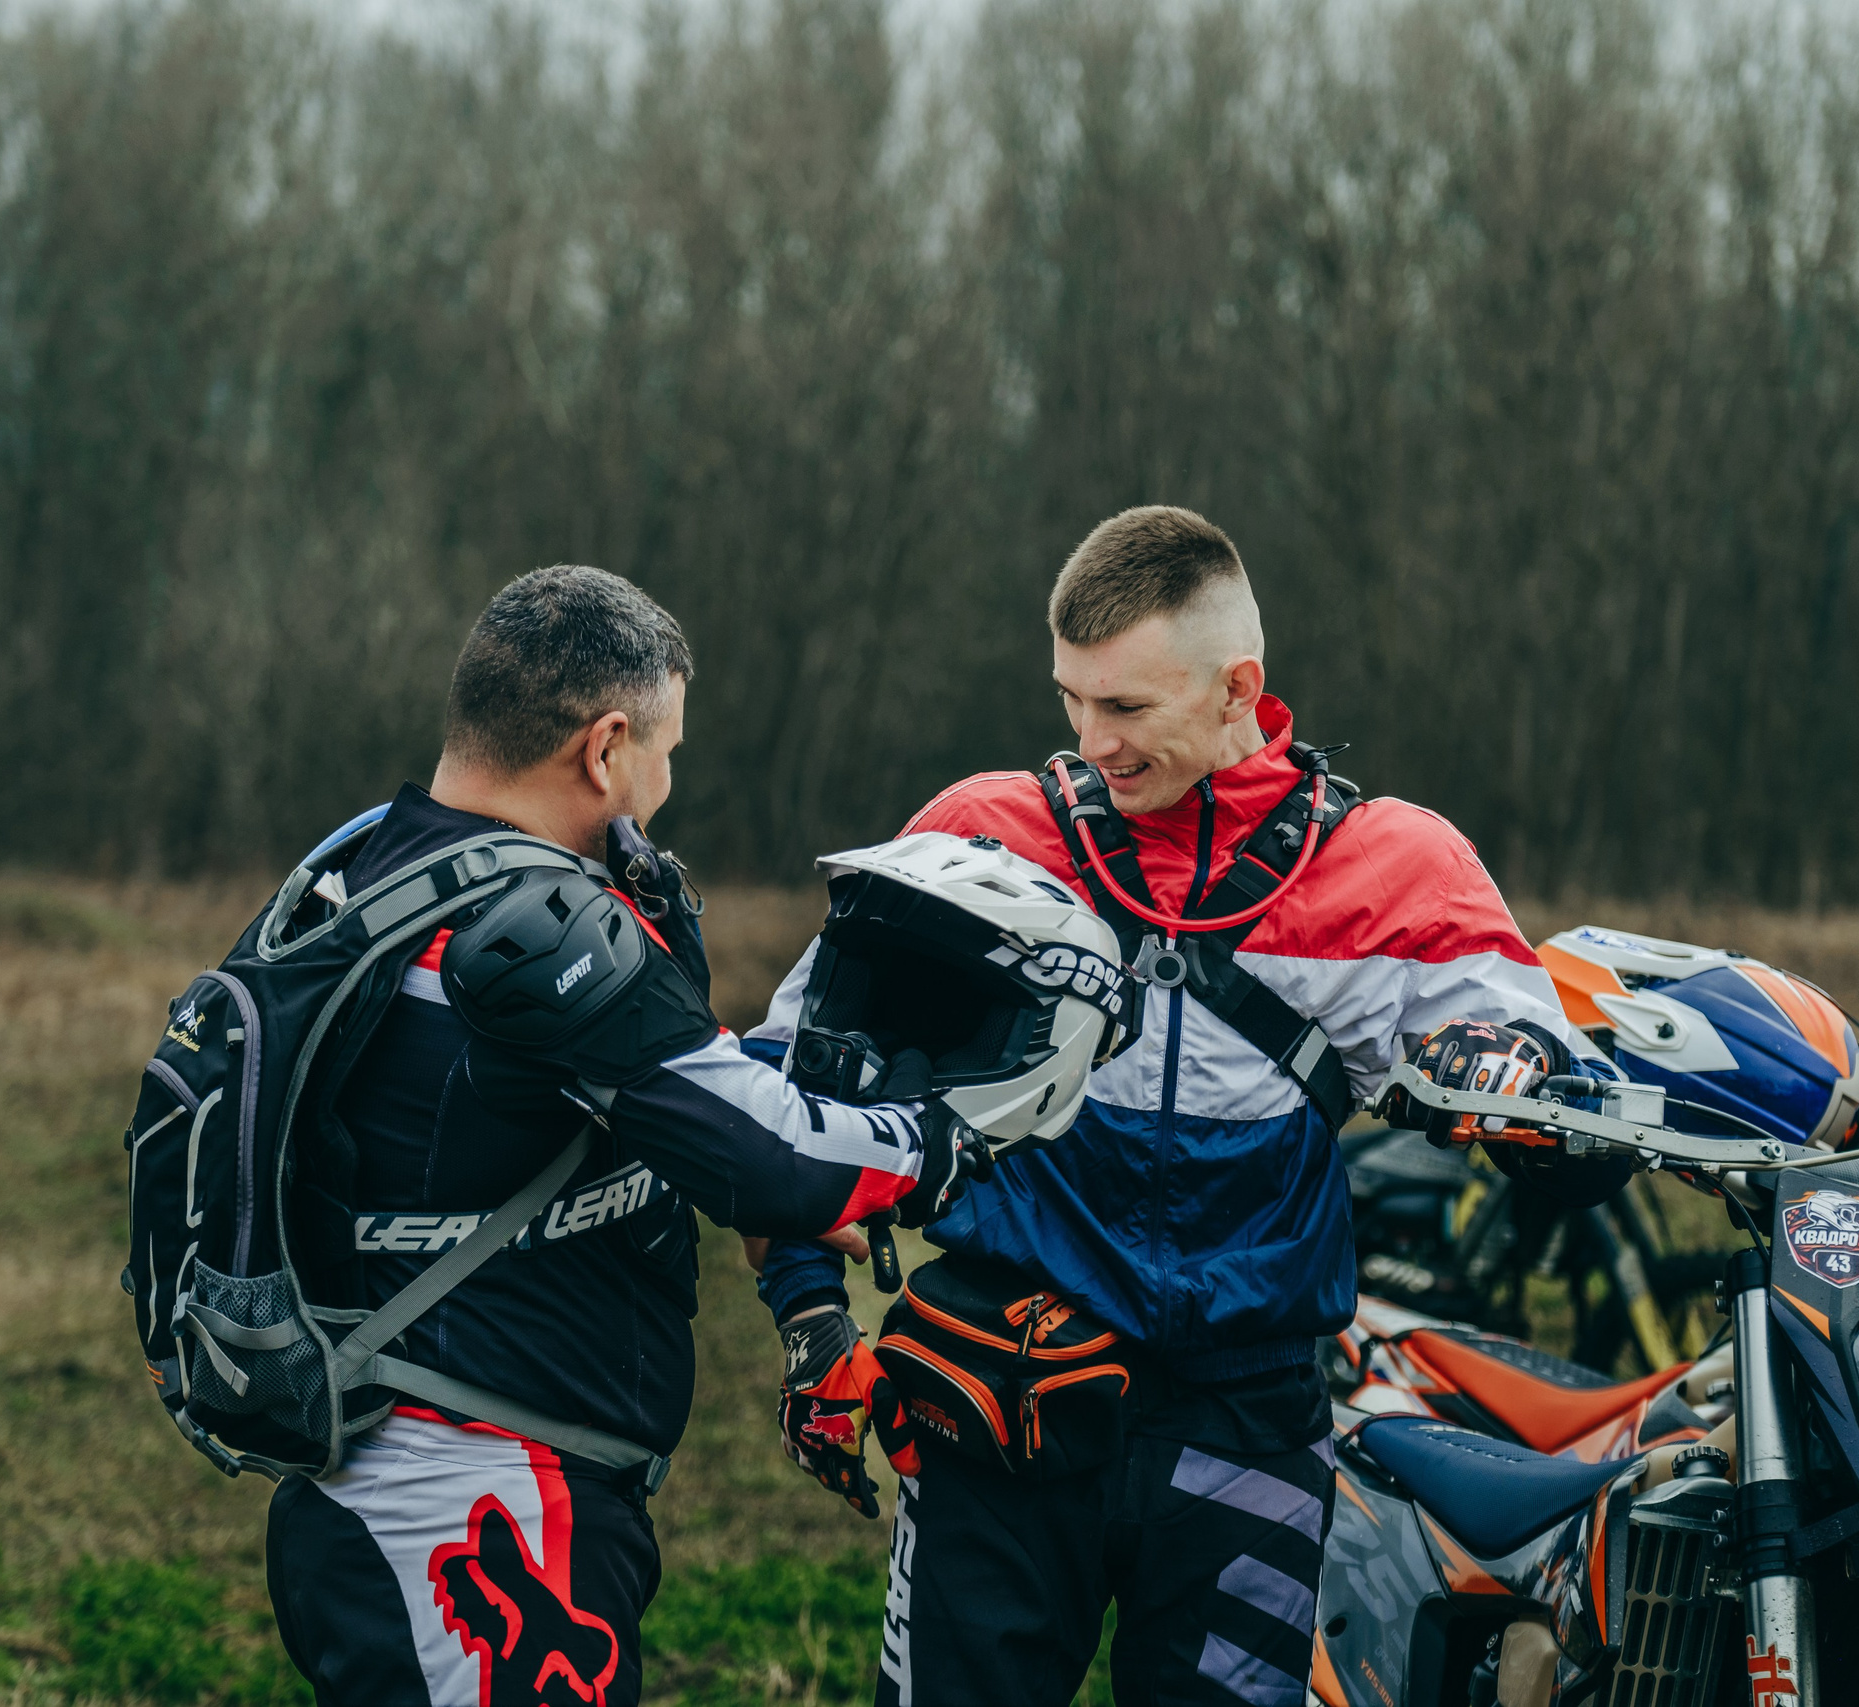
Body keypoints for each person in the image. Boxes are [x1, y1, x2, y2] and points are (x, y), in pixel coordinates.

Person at [749, 507, 1611, 1707]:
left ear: (1236, 688)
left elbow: (1566, 1110)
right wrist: (809, 1326)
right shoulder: (981, 839)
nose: (1091, 740)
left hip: (1241, 1432)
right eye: (1071, 700)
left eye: (1127, 709)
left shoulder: (1398, 869)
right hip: (999, 1407)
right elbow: (773, 1098)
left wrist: (1517, 1086)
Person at [261, 565, 983, 1707]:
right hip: (482, 1510)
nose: (664, 785)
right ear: (605, 749)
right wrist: (941, 1139)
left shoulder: (372, 875)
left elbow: (618, 1104)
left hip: (389, 1475)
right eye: (666, 754)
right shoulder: (539, 930)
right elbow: (770, 1158)